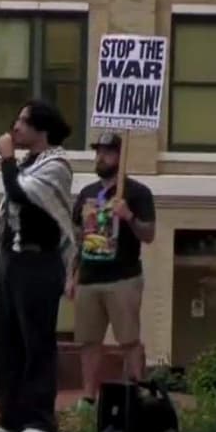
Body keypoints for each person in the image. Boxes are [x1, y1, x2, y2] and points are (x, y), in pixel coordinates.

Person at [0, 99, 78, 432]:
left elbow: (20, 196)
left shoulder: (57, 165)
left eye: (22, 122)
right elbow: (13, 215)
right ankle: (10, 416)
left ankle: (41, 419)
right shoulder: (27, 164)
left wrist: (5, 160)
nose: (14, 127)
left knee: (37, 342)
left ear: (41, 129)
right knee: (5, 341)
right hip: (12, 262)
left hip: (39, 263)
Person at [71, 133, 155, 412]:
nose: (100, 157)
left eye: (107, 152)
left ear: (121, 157)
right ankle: (88, 397)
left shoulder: (138, 192)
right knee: (89, 341)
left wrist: (129, 216)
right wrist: (72, 276)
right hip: (89, 277)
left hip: (124, 277)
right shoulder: (87, 193)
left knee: (129, 339)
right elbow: (77, 237)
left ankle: (139, 392)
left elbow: (149, 234)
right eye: (98, 152)